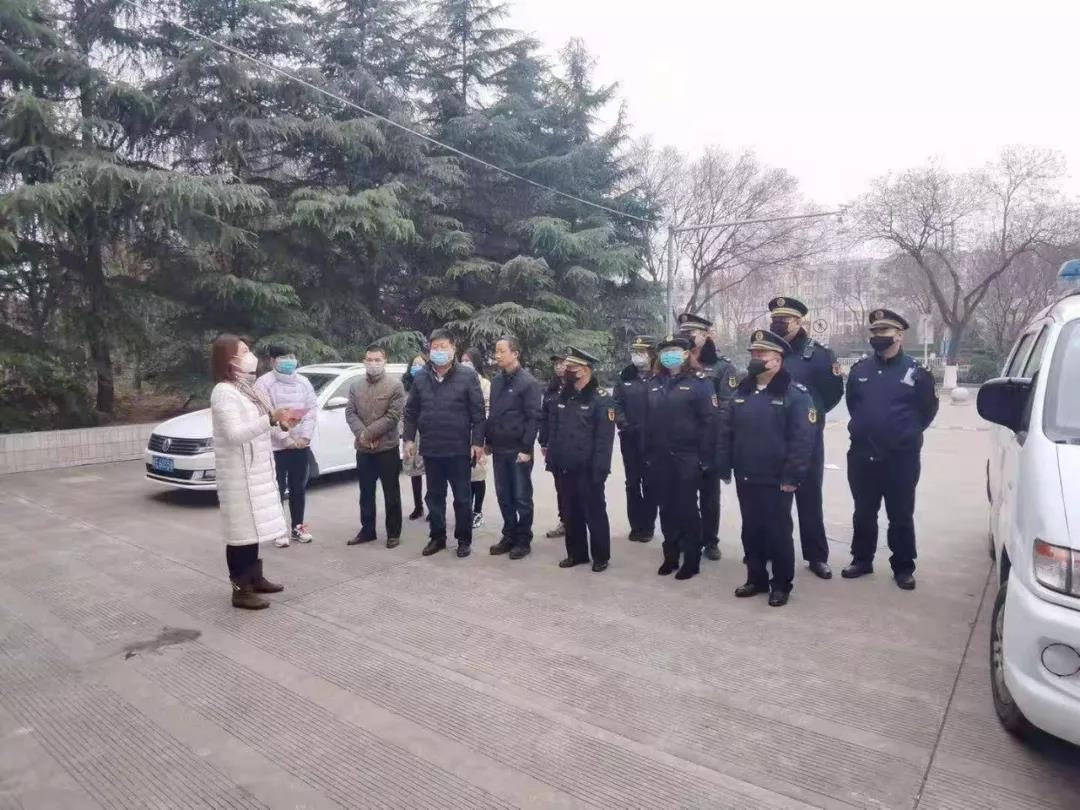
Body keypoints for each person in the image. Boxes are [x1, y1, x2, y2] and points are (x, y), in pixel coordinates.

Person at [717, 329, 816, 607]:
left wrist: (793, 476)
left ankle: (781, 584)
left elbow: (802, 440)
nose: (756, 358)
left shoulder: (795, 394)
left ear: (778, 360)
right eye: (753, 353)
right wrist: (724, 465)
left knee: (778, 533)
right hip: (746, 474)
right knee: (751, 529)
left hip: (777, 479)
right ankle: (756, 578)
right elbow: (726, 431)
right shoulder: (742, 391)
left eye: (762, 354)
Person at [841, 309, 939, 590]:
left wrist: (903, 435)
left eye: (883, 331)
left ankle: (903, 567)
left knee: (900, 515)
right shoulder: (860, 370)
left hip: (900, 459)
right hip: (862, 455)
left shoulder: (917, 372)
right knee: (863, 512)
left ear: (899, 335)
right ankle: (862, 559)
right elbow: (853, 405)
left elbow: (926, 412)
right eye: (874, 332)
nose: (877, 336)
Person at [209, 334, 294, 609]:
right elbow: (234, 434)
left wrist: (281, 423)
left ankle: (255, 578)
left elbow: (263, 425)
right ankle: (240, 590)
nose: (250, 356)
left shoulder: (248, 389)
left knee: (252, 532)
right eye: (243, 351)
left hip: (256, 472)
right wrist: (269, 419)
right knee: (240, 536)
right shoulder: (223, 392)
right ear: (229, 358)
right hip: (238, 476)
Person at [767, 296, 845, 579]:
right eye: (775, 319)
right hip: (773, 437)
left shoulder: (819, 355)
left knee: (810, 499)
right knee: (774, 501)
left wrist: (812, 416)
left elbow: (833, 393)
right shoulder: (769, 351)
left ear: (799, 322)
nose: (778, 323)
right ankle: (772, 550)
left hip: (807, 439)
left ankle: (816, 557)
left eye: (784, 319)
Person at [403, 330, 486, 558]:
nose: (438, 351)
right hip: (432, 448)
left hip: (458, 449)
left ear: (453, 349)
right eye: (434, 348)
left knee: (462, 498)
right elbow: (411, 411)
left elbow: (478, 413)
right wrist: (408, 439)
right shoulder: (421, 377)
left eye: (443, 347)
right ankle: (437, 537)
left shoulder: (467, 376)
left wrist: (477, 443)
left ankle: (463, 540)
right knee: (434, 497)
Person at [644, 335, 717, 581]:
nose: (669, 355)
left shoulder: (700, 383)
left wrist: (704, 459)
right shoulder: (654, 382)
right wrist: (648, 453)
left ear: (687, 354)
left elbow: (709, 423)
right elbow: (648, 421)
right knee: (666, 508)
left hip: (688, 456)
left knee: (686, 508)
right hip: (660, 457)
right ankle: (671, 556)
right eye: (665, 351)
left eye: (674, 350)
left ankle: (692, 560)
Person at [546, 347, 616, 572]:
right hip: (565, 466)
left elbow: (605, 440)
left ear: (585, 370)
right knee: (570, 513)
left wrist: (601, 469)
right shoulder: (563, 395)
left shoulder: (601, 399)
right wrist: (553, 460)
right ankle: (576, 554)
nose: (565, 370)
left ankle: (601, 556)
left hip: (588, 468)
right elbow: (555, 430)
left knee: (594, 512)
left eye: (571, 367)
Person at [677, 312, 739, 562]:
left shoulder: (723, 367)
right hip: (683, 442)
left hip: (709, 442)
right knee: (684, 494)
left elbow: (726, 406)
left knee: (709, 496)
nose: (687, 337)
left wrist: (716, 440)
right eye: (684, 333)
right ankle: (688, 537)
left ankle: (710, 541)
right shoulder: (678, 366)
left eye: (691, 333)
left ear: (706, 335)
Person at [255, 344, 318, 546]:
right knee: (278, 488)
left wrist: (304, 437)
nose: (289, 360)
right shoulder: (263, 384)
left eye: (291, 356)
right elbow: (266, 414)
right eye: (283, 357)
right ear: (272, 361)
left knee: (298, 487)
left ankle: (298, 527)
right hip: (276, 447)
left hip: (300, 446)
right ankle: (279, 531)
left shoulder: (303, 382)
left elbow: (311, 411)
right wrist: (285, 438)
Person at [486, 336, 542, 560]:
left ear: (515, 353)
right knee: (504, 496)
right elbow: (493, 414)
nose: (497, 355)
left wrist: (526, 448)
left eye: (502, 351)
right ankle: (509, 535)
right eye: (496, 351)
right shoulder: (497, 381)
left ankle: (523, 539)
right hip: (499, 449)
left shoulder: (528, 383)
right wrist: (489, 440)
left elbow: (533, 418)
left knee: (521, 497)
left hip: (518, 450)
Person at [345, 345, 405, 548]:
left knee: (391, 493)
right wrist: (362, 435)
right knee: (366, 492)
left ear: (384, 361)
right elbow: (350, 413)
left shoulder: (395, 386)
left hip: (386, 448)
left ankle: (393, 533)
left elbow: (393, 416)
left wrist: (369, 433)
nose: (373, 364)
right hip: (364, 449)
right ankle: (367, 530)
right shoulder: (356, 386)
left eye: (377, 360)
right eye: (369, 360)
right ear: (364, 361)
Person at [614, 335, 659, 542]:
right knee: (632, 483)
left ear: (652, 354)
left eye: (642, 351)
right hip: (630, 437)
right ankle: (636, 525)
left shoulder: (659, 376)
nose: (637, 355)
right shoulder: (625, 376)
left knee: (651, 482)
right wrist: (624, 424)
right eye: (635, 351)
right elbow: (616, 404)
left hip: (653, 439)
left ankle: (648, 526)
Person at [459, 347, 491, 529]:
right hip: (459, 435)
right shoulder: (457, 381)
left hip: (477, 434)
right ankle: (466, 510)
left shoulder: (485, 384)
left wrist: (480, 434)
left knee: (478, 475)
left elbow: (487, 409)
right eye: (462, 361)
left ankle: (477, 511)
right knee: (464, 476)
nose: (464, 364)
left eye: (468, 361)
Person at [539, 353, 568, 539]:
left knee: (575, 486)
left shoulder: (577, 388)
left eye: (562, 363)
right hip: (555, 445)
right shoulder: (551, 389)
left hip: (573, 446)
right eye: (556, 364)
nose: (558, 367)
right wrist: (543, 441)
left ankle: (578, 520)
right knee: (560, 486)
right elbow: (544, 417)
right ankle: (564, 520)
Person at [401, 352, 428, 520]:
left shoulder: (430, 384)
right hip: (412, 434)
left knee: (431, 471)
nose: (417, 368)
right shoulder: (405, 388)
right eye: (414, 365)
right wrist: (405, 436)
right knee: (414, 472)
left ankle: (434, 507)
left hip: (427, 433)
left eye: (421, 365)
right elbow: (403, 414)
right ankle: (418, 506)